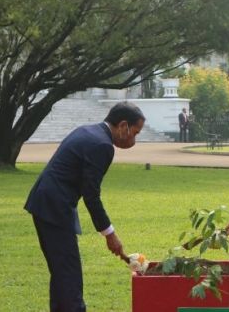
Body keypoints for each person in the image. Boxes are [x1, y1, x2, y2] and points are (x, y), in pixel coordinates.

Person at [24, 102, 145, 312]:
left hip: (46, 203)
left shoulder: (88, 131)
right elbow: (91, 194)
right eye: (135, 133)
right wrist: (110, 234)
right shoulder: (103, 146)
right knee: (69, 276)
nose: (134, 140)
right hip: (54, 207)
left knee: (62, 273)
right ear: (123, 125)